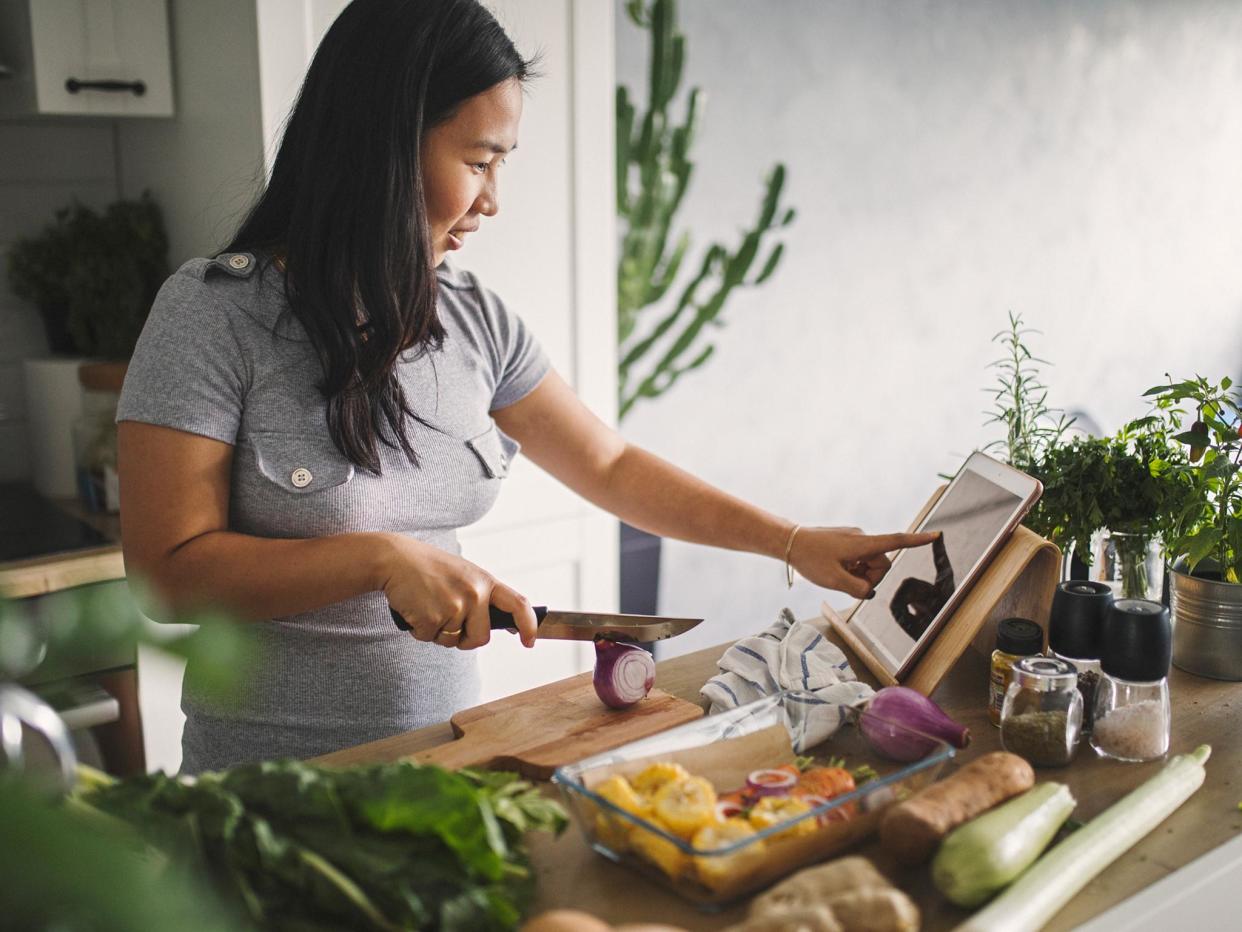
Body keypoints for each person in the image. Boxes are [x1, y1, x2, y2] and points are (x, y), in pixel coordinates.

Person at [116, 0, 936, 773]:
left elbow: (610, 467)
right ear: (382, 146)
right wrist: (377, 558)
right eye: (478, 161)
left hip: (445, 764)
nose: (493, 201)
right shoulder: (213, 314)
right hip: (267, 791)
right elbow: (167, 574)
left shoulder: (477, 322)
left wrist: (791, 542)